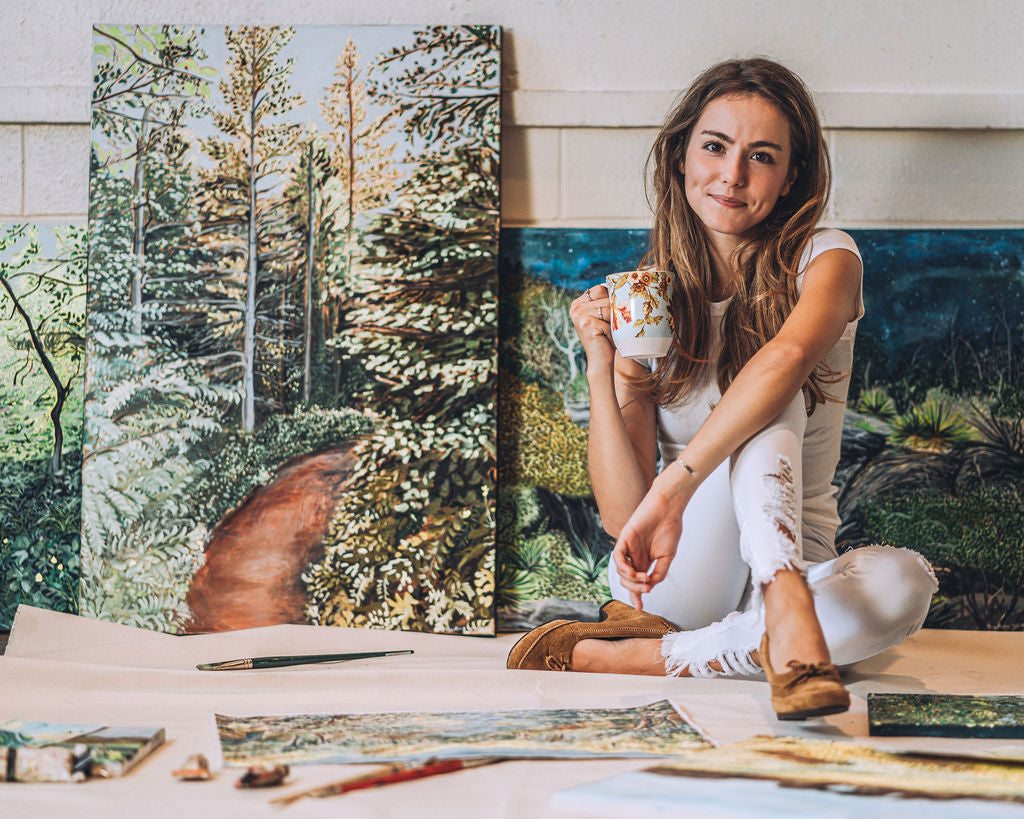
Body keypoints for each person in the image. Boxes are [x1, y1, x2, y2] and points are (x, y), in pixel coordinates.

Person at [507, 58, 938, 720]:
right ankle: (781, 620)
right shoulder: (650, 297)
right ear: (682, 156)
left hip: (798, 553)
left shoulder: (829, 258)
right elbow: (627, 519)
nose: (732, 175)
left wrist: (674, 485)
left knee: (905, 584)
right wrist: (602, 363)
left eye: (760, 157)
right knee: (770, 391)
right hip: (688, 569)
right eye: (714, 147)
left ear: (791, 176)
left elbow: (790, 352)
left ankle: (653, 651)